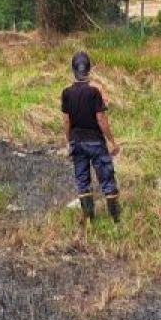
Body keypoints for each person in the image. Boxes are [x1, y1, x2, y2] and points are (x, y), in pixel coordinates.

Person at [61, 51, 121, 224]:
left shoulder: (66, 93)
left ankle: (90, 218)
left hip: (77, 142)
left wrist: (69, 141)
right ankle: (116, 219)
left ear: (73, 70)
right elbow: (101, 119)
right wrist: (112, 142)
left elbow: (66, 120)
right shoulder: (94, 92)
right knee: (107, 178)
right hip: (96, 142)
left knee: (82, 179)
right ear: (89, 69)